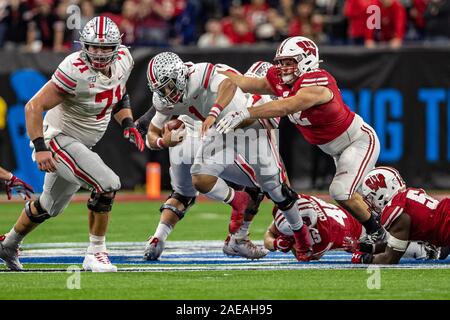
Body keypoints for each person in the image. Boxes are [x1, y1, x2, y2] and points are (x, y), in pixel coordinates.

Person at [0, 17, 144, 272]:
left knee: (49, 206)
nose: (98, 53)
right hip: (59, 139)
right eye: (93, 47)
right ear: (84, 46)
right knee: (108, 183)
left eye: (104, 48)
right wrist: (41, 146)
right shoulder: (75, 68)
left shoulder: (123, 60)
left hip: (80, 144)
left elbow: (119, 94)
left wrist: (128, 124)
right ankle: (96, 253)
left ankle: (8, 245)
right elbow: (34, 106)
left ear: (117, 47)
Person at [216, 36, 383, 248]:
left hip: (357, 141)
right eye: (280, 62)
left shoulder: (317, 80)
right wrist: (213, 72)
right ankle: (388, 229)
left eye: (288, 62)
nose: (282, 68)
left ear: (307, 60)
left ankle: (379, 233)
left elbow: (288, 106)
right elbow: (248, 83)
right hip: (335, 149)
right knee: (361, 197)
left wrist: (246, 112)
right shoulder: (283, 81)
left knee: (342, 192)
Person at [145, 53, 313, 261]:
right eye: (161, 90)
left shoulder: (261, 95)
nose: (166, 94)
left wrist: (215, 113)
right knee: (200, 177)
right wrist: (164, 141)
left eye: (169, 87)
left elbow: (236, 91)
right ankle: (238, 222)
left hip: (251, 129)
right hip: (220, 127)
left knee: (276, 187)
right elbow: (152, 133)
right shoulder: (172, 96)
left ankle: (301, 236)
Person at [266, 193, 441, 261]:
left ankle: (422, 250)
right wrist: (275, 243)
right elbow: (270, 233)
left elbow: (306, 255)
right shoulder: (298, 205)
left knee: (386, 244)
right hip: (355, 218)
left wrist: (284, 244)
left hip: (359, 230)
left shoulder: (325, 233)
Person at [351, 167, 450, 264]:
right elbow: (397, 243)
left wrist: (363, 259)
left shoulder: (397, 211)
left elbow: (390, 259)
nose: (371, 203)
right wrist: (365, 248)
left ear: (380, 194)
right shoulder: (409, 195)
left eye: (371, 198)